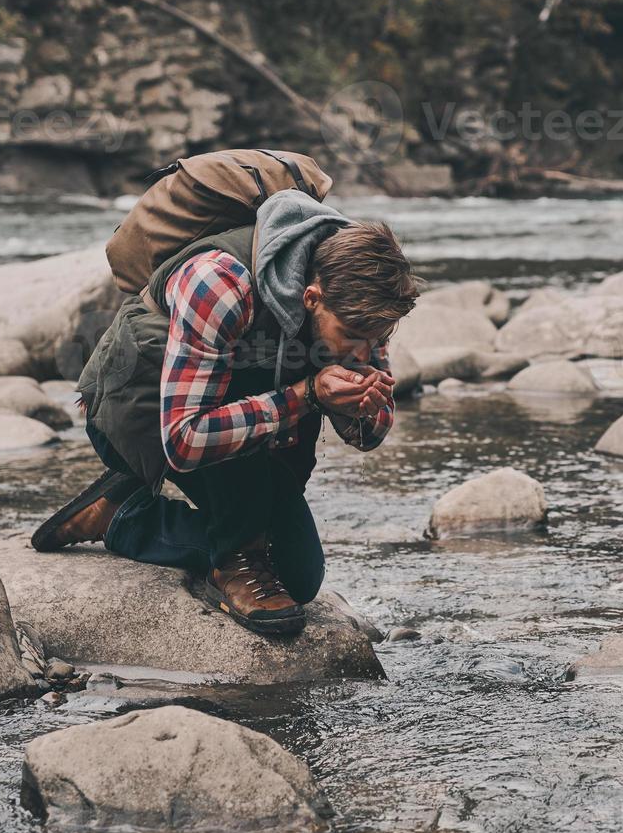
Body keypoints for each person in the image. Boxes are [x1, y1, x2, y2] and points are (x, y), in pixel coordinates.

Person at [30, 189, 419, 636]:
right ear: (312, 297)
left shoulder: (364, 304)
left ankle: (119, 511)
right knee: (261, 551)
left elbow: (372, 432)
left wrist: (364, 409)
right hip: (143, 416)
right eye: (354, 335)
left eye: (379, 337)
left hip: (243, 430)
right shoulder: (220, 283)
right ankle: (214, 553)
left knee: (300, 577)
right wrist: (309, 394)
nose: (365, 351)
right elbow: (184, 439)